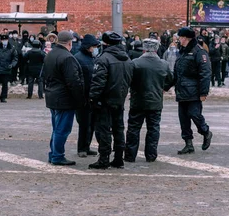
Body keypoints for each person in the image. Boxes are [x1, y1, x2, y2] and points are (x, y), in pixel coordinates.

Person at [88, 31, 134, 169]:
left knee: (104, 130)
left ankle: (104, 159)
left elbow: (98, 82)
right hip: (119, 99)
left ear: (105, 44)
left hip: (104, 100)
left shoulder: (103, 59)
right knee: (118, 129)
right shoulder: (126, 59)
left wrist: (92, 98)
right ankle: (119, 158)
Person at [124, 38, 174, 163]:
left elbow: (128, 79)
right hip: (155, 100)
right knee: (153, 128)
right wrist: (164, 88)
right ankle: (151, 155)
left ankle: (130, 155)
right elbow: (171, 79)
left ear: (144, 49)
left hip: (138, 100)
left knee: (133, 129)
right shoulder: (163, 64)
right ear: (157, 49)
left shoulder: (135, 63)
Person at [43, 30, 85, 166]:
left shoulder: (50, 55)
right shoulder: (67, 58)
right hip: (64, 99)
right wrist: (80, 100)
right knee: (62, 129)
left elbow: (43, 75)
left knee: (56, 128)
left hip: (52, 96)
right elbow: (74, 82)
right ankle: (57, 155)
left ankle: (53, 153)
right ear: (69, 42)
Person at [172, 27, 213, 155]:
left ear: (185, 38)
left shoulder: (199, 52)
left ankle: (206, 132)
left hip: (194, 92)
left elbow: (205, 73)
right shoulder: (182, 52)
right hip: (182, 90)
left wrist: (203, 93)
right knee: (183, 119)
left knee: (195, 115)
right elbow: (177, 73)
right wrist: (166, 86)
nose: (178, 39)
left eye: (180, 37)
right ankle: (188, 144)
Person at [73, 34, 100, 158]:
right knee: (84, 124)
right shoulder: (78, 58)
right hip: (83, 97)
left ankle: (87, 146)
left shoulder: (92, 58)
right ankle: (81, 148)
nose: (94, 49)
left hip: (92, 96)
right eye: (93, 46)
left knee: (92, 124)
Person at [0, 34, 18, 103]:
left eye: (5, 40)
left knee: (5, 85)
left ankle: (3, 97)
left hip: (6, 69)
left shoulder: (11, 48)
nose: (4, 41)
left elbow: (15, 58)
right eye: (3, 40)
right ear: (1, 41)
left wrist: (12, 65)